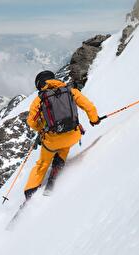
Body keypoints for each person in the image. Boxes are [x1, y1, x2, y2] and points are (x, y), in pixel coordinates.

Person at [24, 70, 100, 200]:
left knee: (42, 164)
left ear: (40, 84)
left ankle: (30, 192)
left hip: (52, 141)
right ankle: (58, 165)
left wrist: (42, 128)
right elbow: (89, 106)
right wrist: (94, 119)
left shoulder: (40, 99)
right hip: (73, 135)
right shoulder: (70, 91)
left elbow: (31, 121)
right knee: (65, 144)